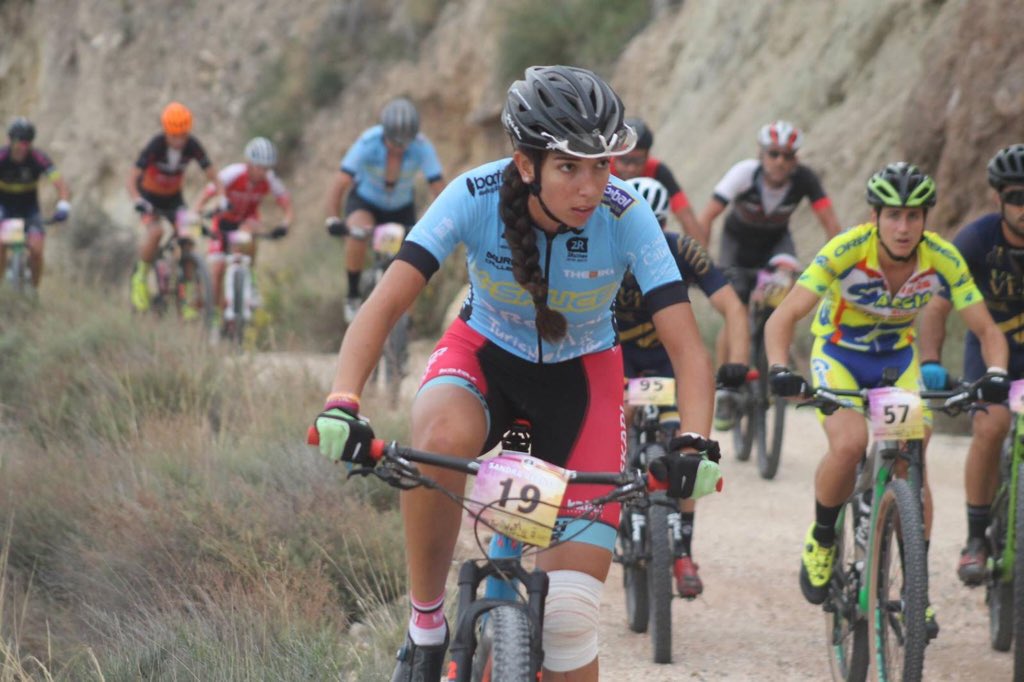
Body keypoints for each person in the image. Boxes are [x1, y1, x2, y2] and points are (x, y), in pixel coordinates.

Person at [311, 66, 719, 681]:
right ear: (525, 164)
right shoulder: (472, 194)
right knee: (440, 440)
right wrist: (343, 397)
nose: (590, 187)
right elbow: (387, 303)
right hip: (486, 355)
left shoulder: (625, 211)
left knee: (569, 623)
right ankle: (425, 626)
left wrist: (693, 441)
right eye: (569, 168)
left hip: (582, 380)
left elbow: (687, 350)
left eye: (602, 166)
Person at [764, 162, 1009, 639]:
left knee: (911, 459)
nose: (903, 227)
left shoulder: (941, 257)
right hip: (839, 357)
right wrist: (778, 366)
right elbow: (785, 315)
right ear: (875, 216)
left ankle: (917, 588)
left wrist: (996, 373)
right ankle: (820, 540)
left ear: (925, 220)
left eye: (914, 216)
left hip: (896, 363)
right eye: (894, 215)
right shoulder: (846, 250)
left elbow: (986, 331)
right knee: (850, 444)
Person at [616, 176, 748, 597]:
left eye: (654, 226)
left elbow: (732, 306)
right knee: (614, 433)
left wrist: (738, 366)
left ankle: (683, 550)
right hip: (619, 362)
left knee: (685, 446)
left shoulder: (681, 250)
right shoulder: (605, 249)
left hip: (670, 366)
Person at [919, 143, 1024, 586]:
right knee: (989, 426)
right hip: (992, 352)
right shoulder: (977, 240)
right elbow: (937, 309)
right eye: (1017, 196)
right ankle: (976, 538)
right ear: (998, 198)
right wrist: (928, 362)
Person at [324, 97, 446, 323]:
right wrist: (333, 218)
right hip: (365, 202)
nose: (399, 149)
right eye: (393, 143)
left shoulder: (422, 146)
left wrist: (447, 220)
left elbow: (440, 188)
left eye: (404, 144)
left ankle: (403, 326)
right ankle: (352, 294)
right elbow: (340, 182)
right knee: (358, 231)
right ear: (384, 133)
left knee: (410, 259)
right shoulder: (368, 142)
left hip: (400, 208)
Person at [128, 102, 221, 314]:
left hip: (174, 198)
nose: (179, 140)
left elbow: (212, 174)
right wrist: (137, 200)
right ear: (166, 132)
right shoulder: (156, 145)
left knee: (188, 238)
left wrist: (222, 198)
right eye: (174, 135)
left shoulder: (192, 145)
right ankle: (140, 277)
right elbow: (131, 178)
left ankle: (186, 291)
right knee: (156, 232)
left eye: (183, 135)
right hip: (149, 197)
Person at [195, 137, 293, 313]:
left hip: (246, 221)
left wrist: (286, 222)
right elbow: (207, 193)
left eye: (267, 168)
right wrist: (199, 212)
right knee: (216, 272)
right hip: (223, 222)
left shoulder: (269, 179)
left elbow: (285, 201)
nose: (263, 172)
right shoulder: (233, 173)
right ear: (249, 163)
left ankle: (250, 281)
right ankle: (215, 315)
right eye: (259, 167)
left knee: (248, 234)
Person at [0, 117, 71, 289]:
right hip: (6, 209)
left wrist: (63, 205)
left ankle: (33, 291)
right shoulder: (2, 157)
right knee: (2, 243)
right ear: (11, 141)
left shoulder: (38, 158)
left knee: (36, 250)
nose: (22, 147)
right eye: (19, 142)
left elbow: (60, 184)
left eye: (27, 143)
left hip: (30, 211)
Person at [610, 118, 705, 244]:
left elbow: (686, 215)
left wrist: (701, 258)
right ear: (613, 155)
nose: (631, 168)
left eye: (638, 161)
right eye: (624, 160)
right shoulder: (602, 168)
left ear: (647, 155)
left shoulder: (657, 170)